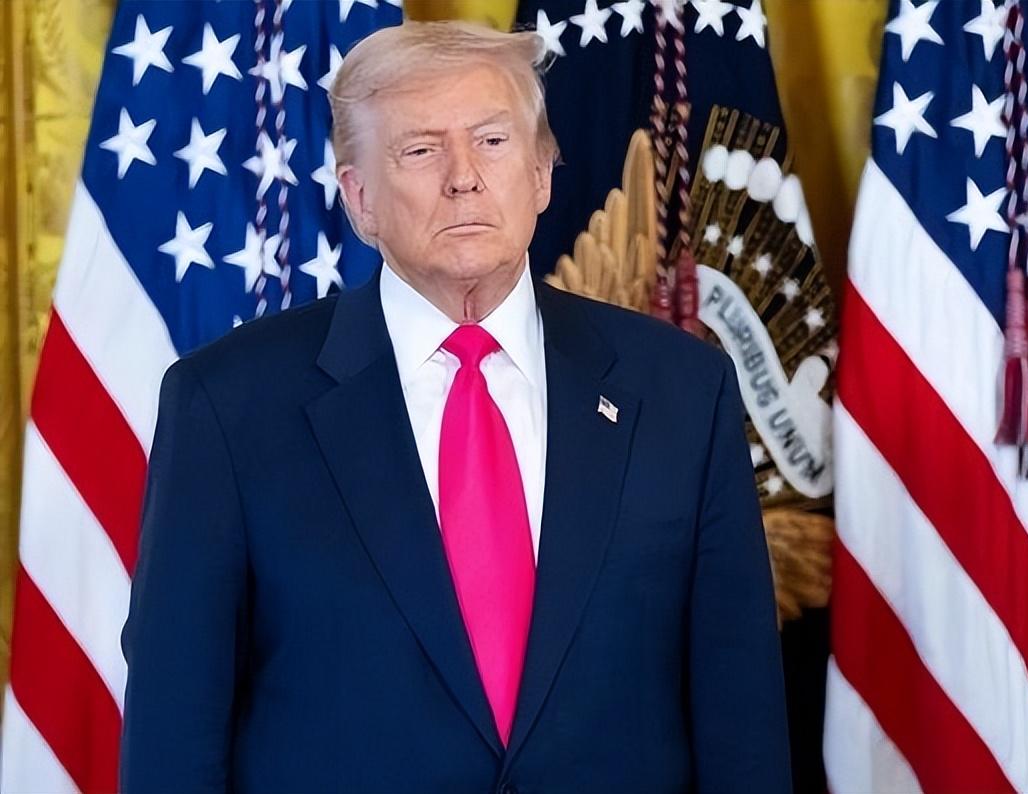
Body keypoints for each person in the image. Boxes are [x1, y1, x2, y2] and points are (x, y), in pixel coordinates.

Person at [119, 20, 790, 794]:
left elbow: (741, 720)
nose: (464, 177)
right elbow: (175, 733)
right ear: (360, 199)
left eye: (493, 141)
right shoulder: (227, 406)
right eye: (421, 150)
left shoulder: (684, 390)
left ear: (541, 175)